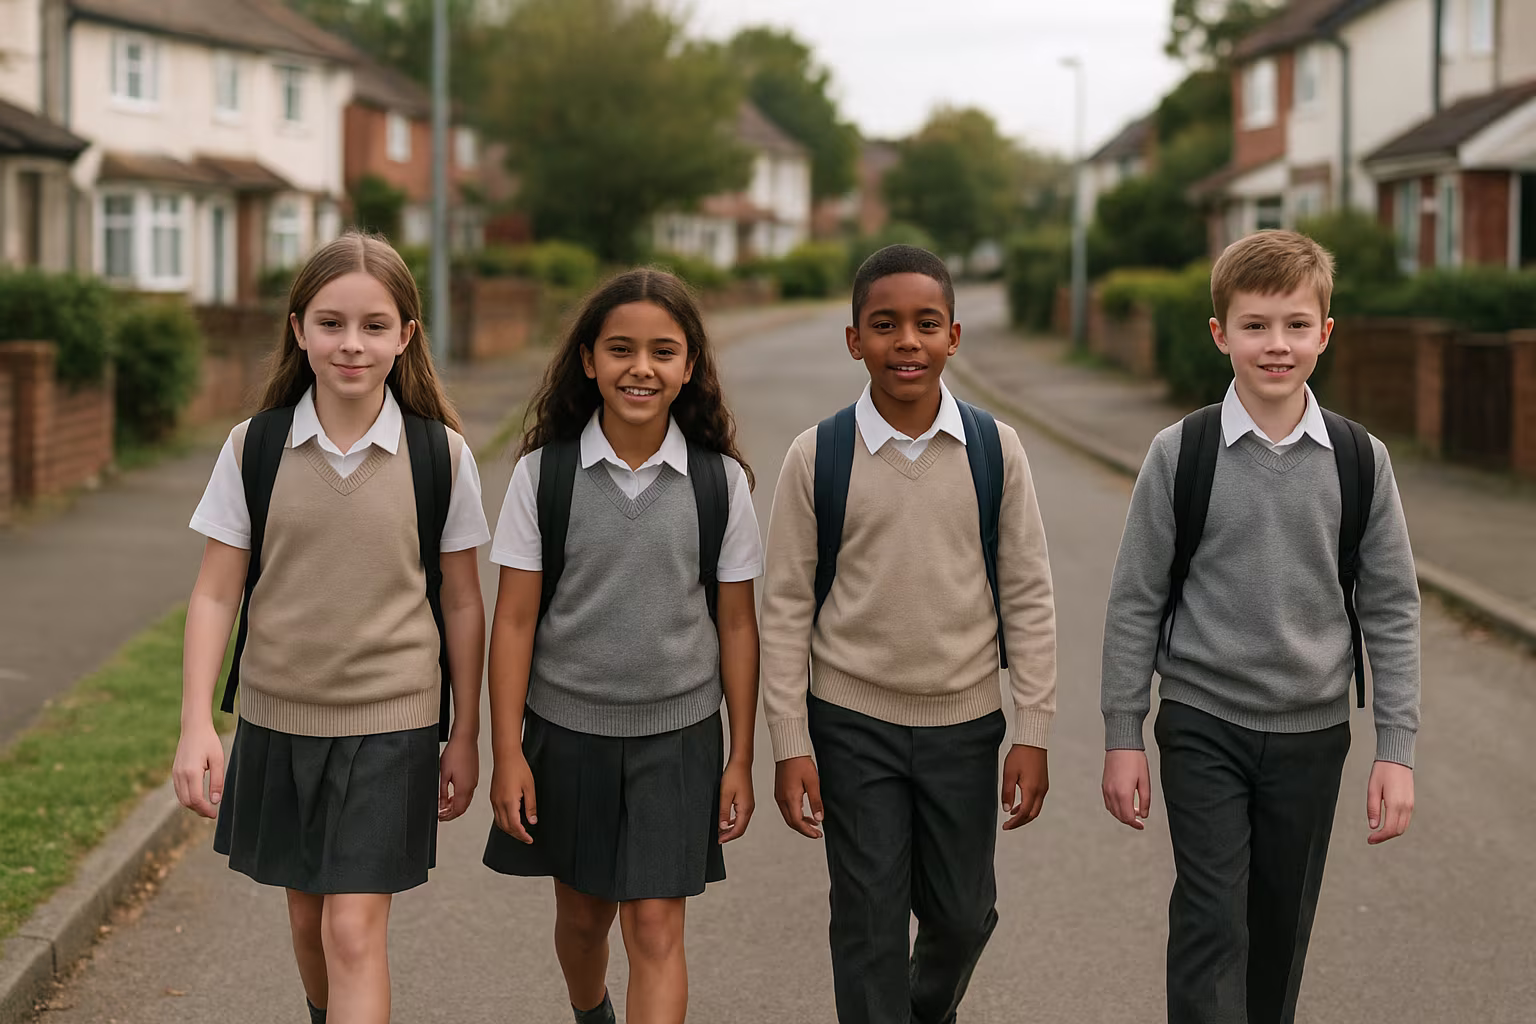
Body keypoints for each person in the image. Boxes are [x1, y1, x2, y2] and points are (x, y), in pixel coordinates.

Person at [1099, 229, 1421, 1024]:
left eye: (1295, 325)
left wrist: (1396, 748)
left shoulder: (1359, 459)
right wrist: (1123, 734)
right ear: (1221, 335)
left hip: (1313, 734)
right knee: (1211, 922)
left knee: (1278, 933)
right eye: (1255, 325)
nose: (1276, 345)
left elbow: (1391, 606)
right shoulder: (1182, 453)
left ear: (1324, 334)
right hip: (1204, 722)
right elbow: (1136, 596)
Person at [173, 232, 490, 1024]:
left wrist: (467, 734)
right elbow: (215, 594)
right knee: (310, 923)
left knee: (353, 930)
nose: (352, 344)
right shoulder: (254, 448)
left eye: (375, 325)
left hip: (394, 724)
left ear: (407, 337)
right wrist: (196, 725)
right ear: (299, 329)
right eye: (332, 323)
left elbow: (461, 602)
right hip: (279, 721)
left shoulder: (441, 458)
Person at [760, 244, 1059, 1024]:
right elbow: (786, 604)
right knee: (868, 925)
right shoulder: (816, 456)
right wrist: (790, 741)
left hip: (965, 722)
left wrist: (1032, 726)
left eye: (926, 324)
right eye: (884, 325)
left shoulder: (997, 450)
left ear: (954, 337)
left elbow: (1028, 592)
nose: (907, 342)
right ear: (854, 339)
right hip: (851, 723)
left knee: (962, 918)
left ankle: (923, 1009)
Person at [481, 268, 762, 1024]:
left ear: (689, 366)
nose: (641, 367)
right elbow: (512, 622)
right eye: (621, 349)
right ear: (587, 360)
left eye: (663, 351)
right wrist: (508, 753)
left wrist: (739, 757)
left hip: (679, 738)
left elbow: (737, 624)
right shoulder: (543, 478)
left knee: (656, 926)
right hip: (567, 736)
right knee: (583, 921)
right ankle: (591, 1013)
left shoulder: (722, 483)